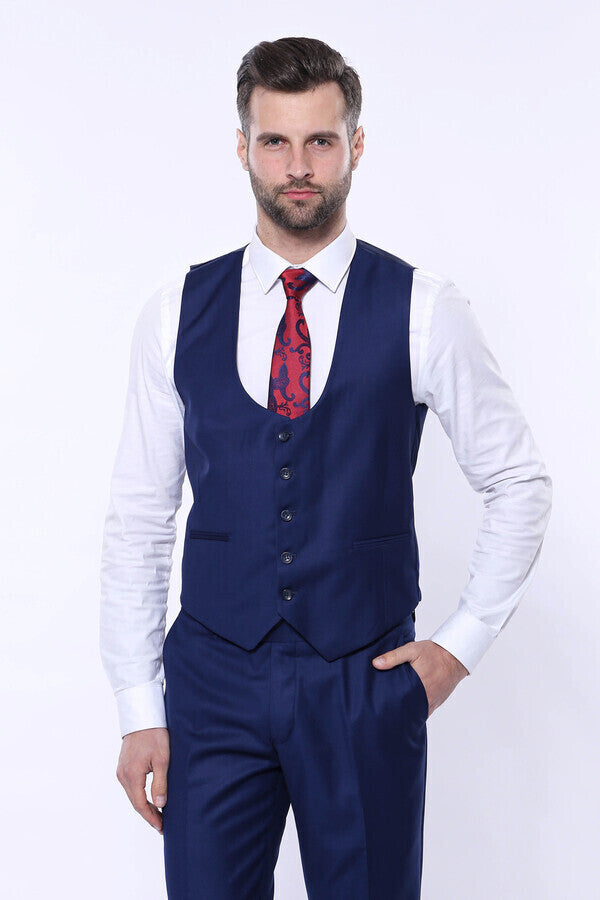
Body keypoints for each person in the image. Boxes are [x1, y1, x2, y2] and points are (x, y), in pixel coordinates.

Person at [99, 35, 553, 899]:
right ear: (243, 148)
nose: (298, 166)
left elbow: (518, 483)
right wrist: (138, 705)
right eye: (276, 141)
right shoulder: (175, 312)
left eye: (321, 141)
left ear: (356, 145)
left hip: (362, 682)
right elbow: (140, 517)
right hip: (211, 684)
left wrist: (456, 650)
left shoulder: (424, 308)